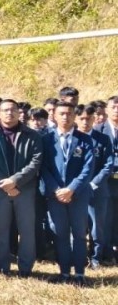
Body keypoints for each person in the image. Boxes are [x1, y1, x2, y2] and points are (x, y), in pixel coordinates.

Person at [0, 99, 42, 277]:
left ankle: (25, 268)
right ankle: (2, 266)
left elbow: (36, 162)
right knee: (0, 229)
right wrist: (5, 184)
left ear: (19, 113)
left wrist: (15, 181)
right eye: (5, 110)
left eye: (13, 110)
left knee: (27, 230)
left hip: (25, 189)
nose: (9, 113)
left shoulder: (32, 135)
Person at [42, 101, 95, 285]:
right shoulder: (46, 139)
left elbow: (88, 169)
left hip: (78, 195)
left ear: (74, 116)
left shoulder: (85, 140)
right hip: (55, 196)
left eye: (69, 114)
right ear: (54, 116)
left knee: (80, 234)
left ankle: (80, 273)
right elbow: (43, 168)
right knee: (60, 233)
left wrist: (71, 188)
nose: (65, 117)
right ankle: (64, 272)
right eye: (62, 113)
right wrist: (57, 190)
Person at [77, 105, 114, 270]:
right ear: (76, 119)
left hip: (97, 190)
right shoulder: (72, 138)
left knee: (97, 227)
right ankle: (78, 256)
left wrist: (93, 183)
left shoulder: (103, 139)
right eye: (82, 119)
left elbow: (108, 165)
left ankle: (95, 258)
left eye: (88, 118)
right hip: (75, 191)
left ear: (95, 119)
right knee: (77, 226)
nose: (85, 122)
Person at [95, 96, 118, 265]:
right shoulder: (98, 130)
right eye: (114, 106)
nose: (117, 109)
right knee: (105, 219)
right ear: (107, 110)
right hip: (106, 181)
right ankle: (106, 253)